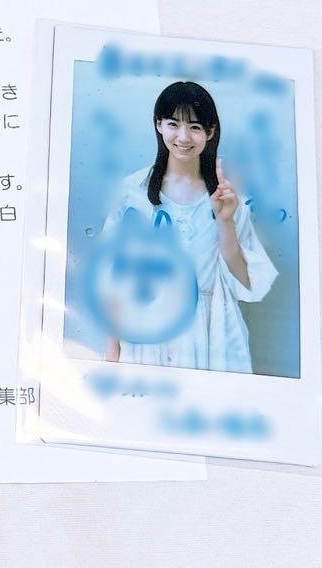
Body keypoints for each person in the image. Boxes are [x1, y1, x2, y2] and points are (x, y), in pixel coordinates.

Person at [101, 80, 277, 372]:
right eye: (173, 124)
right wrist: (112, 352)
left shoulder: (228, 195)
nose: (183, 137)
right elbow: (112, 278)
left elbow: (244, 280)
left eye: (195, 127)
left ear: (210, 132)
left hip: (210, 336)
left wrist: (225, 221)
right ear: (159, 125)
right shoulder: (132, 192)